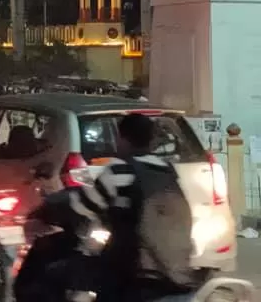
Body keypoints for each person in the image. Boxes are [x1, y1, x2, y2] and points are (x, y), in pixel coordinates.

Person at [70, 114, 196, 302]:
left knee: (69, 273)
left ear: (121, 139)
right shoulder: (167, 170)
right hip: (173, 268)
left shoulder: (118, 170)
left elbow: (82, 206)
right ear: (152, 140)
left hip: (132, 270)